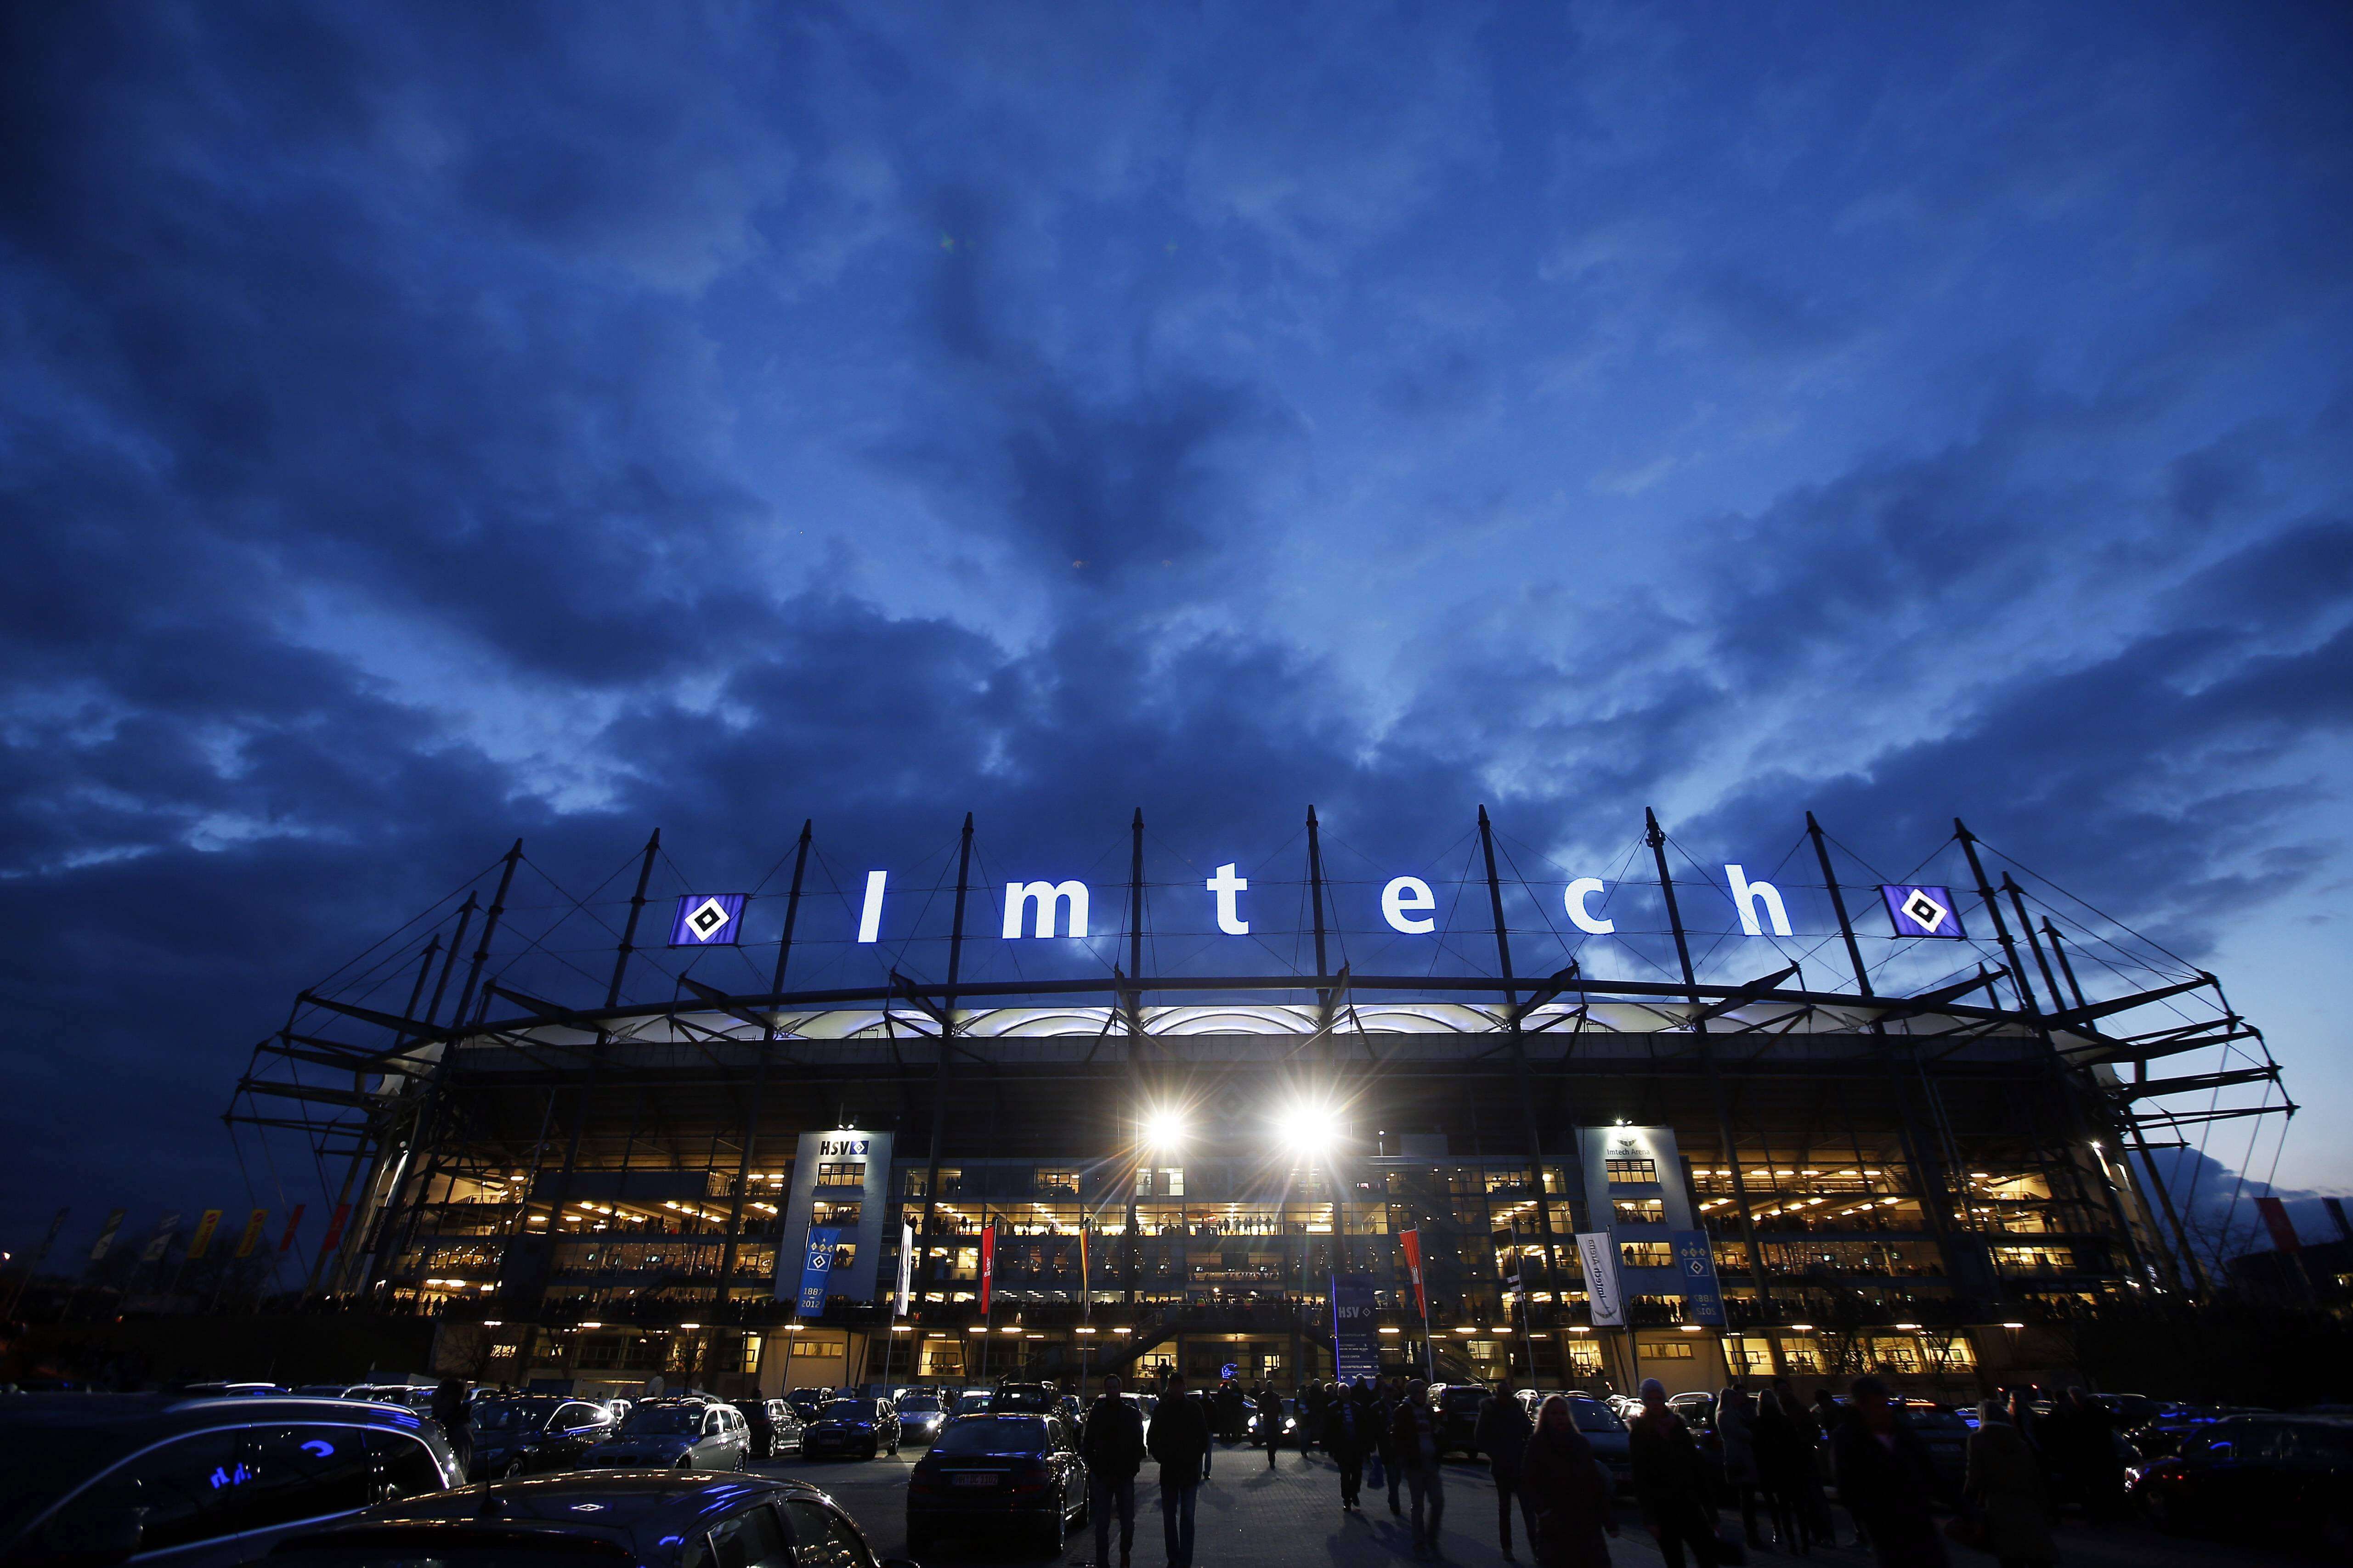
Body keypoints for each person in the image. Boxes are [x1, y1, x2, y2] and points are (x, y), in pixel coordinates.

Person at [1828, 1376, 1947, 1568]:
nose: (1883, 1411)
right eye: (1877, 1406)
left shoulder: (1901, 1432)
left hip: (1919, 1523)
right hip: (1887, 1529)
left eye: (1884, 1405)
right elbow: (1847, 1487)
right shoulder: (1848, 1439)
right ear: (1862, 1406)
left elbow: (1932, 1473)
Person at [1627, 1378, 1720, 1568]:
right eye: (1651, 1399)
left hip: (1689, 1504)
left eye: (1658, 1398)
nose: (1655, 1404)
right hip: (1663, 1509)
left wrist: (1711, 1513)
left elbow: (1697, 1469)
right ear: (1645, 1402)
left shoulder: (1677, 1427)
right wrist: (1650, 1518)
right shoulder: (1640, 1433)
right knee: (1675, 1560)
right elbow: (1641, 1477)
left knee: (1707, 1557)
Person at [1519, 1394, 1618, 1568]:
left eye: (1563, 1414)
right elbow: (1529, 1481)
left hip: (1586, 1522)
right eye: (1554, 1414)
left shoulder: (1580, 1443)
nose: (1559, 1418)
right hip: (1555, 1524)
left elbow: (1594, 1484)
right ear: (1546, 1416)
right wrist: (1543, 1511)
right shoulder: (1538, 1444)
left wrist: (1608, 1521)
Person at [1964, 1401, 2054, 1568]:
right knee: (2035, 1551)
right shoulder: (2018, 1440)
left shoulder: (1978, 1439)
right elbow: (2034, 1473)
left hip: (1998, 1503)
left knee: (2010, 1555)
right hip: (2027, 1502)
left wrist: (1967, 1500)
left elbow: (1975, 1475)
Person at [1080, 1373, 1146, 1568]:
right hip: (1103, 1475)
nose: (1112, 1391)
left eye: (1114, 1388)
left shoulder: (1130, 1414)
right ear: (1105, 1390)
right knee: (1102, 1524)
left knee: (1127, 1522)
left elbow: (1138, 1445)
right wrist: (1095, 1467)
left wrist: (1133, 1467)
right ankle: (1103, 1562)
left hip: (1124, 1474)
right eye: (1109, 1388)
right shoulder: (1098, 1415)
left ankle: (1125, 1553)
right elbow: (1088, 1443)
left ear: (1119, 1389)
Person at [1147, 1371, 1211, 1568]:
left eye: (1179, 1385)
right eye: (1173, 1385)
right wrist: (1162, 1457)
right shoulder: (1163, 1410)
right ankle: (1175, 1557)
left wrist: (1193, 1458)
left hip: (1187, 1473)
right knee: (1171, 1519)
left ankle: (1183, 1559)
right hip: (1171, 1472)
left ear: (1183, 1386)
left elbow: (1203, 1437)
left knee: (1186, 1518)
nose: (1176, 1388)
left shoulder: (1193, 1409)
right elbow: (1152, 1438)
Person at [1474, 1381, 1537, 1560]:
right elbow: (1480, 1437)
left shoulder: (1516, 1410)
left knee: (1527, 1509)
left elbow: (1529, 1430)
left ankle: (1536, 1548)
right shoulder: (1490, 1412)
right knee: (1505, 1508)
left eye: (1510, 1394)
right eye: (1506, 1394)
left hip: (1519, 1464)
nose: (1508, 1398)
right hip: (1502, 1466)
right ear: (1499, 1395)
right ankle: (1507, 1547)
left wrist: (1525, 1448)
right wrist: (1496, 1454)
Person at [1753, 1386, 1813, 1553]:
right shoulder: (1785, 1421)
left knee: (1784, 1508)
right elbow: (1796, 1444)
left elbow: (1758, 1450)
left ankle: (1792, 1542)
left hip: (1775, 1470)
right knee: (1800, 1508)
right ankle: (1805, 1541)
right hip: (1791, 1468)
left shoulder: (1759, 1424)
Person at [1391, 1377, 1447, 1554]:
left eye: (1426, 1392)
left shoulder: (1429, 1410)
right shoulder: (1404, 1411)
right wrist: (1405, 1458)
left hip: (1431, 1462)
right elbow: (1398, 1437)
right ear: (1414, 1394)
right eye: (1422, 1392)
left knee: (1438, 1501)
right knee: (1418, 1504)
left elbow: (1436, 1430)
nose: (1425, 1396)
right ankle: (1420, 1543)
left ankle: (1432, 1537)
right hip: (1415, 1464)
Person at [1713, 1387, 1764, 1550]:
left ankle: (1753, 1534)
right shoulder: (1727, 1416)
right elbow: (1740, 1433)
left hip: (1741, 1456)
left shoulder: (1731, 1414)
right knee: (1746, 1497)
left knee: (1748, 1497)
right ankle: (1751, 1536)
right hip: (1738, 1458)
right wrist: (1749, 1434)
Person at [1323, 1379, 1370, 1509]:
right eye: (1342, 1392)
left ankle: (1354, 1492)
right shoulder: (1333, 1408)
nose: (1345, 1395)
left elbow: (1364, 1426)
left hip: (1356, 1446)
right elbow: (1329, 1428)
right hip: (1342, 1447)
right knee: (1345, 1475)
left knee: (1357, 1473)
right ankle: (1347, 1499)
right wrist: (1330, 1446)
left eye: (1346, 1392)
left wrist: (1367, 1445)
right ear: (1339, 1394)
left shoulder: (1357, 1407)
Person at [430, 1378, 473, 1476]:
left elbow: (458, 1473)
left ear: (448, 1399)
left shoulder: (461, 1433)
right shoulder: (438, 1423)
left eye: (437, 1395)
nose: (433, 1399)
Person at [1376, 1377, 1406, 1516]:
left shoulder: (1398, 1407)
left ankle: (1392, 1496)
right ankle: (1395, 1503)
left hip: (1398, 1446)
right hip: (1386, 1447)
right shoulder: (1377, 1408)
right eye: (1387, 1393)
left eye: (1391, 1393)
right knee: (1392, 1477)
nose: (1389, 1396)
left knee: (1398, 1476)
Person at [1256, 1384, 1285, 1468]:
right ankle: (1271, 1460)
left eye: (1271, 1387)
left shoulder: (1276, 1396)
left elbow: (1281, 1408)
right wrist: (1258, 1419)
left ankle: (1273, 1454)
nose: (1270, 1389)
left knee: (1276, 1440)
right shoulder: (1263, 1396)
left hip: (1275, 1421)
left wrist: (1283, 1417)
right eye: (1269, 1387)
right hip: (1268, 1421)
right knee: (1270, 1442)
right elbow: (1259, 1409)